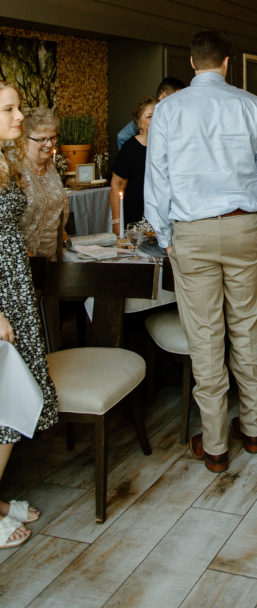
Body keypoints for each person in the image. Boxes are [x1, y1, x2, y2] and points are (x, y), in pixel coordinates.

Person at [145, 31, 257, 472]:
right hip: (244, 226)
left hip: (192, 231)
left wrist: (165, 234)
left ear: (191, 63)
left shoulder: (168, 109)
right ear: (226, 63)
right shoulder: (250, 105)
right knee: (247, 328)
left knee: (205, 337)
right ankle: (255, 430)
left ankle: (218, 444)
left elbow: (157, 178)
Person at [0, 85, 58, 548]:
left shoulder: (4, 158)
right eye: (9, 109)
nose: (19, 116)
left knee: (19, 394)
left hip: (15, 282)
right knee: (6, 399)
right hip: (2, 296)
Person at [18, 107, 68, 257]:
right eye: (41, 139)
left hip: (51, 256)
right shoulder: (13, 168)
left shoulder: (49, 165)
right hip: (25, 259)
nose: (49, 144)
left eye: (52, 138)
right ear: (23, 138)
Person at [110, 96, 157, 234]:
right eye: (149, 117)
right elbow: (116, 185)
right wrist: (116, 222)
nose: (155, 120)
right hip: (135, 219)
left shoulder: (167, 148)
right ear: (139, 124)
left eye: (158, 115)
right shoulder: (130, 149)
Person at [116, 77, 185, 149]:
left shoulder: (175, 116)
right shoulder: (147, 115)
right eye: (177, 97)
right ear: (164, 96)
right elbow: (122, 136)